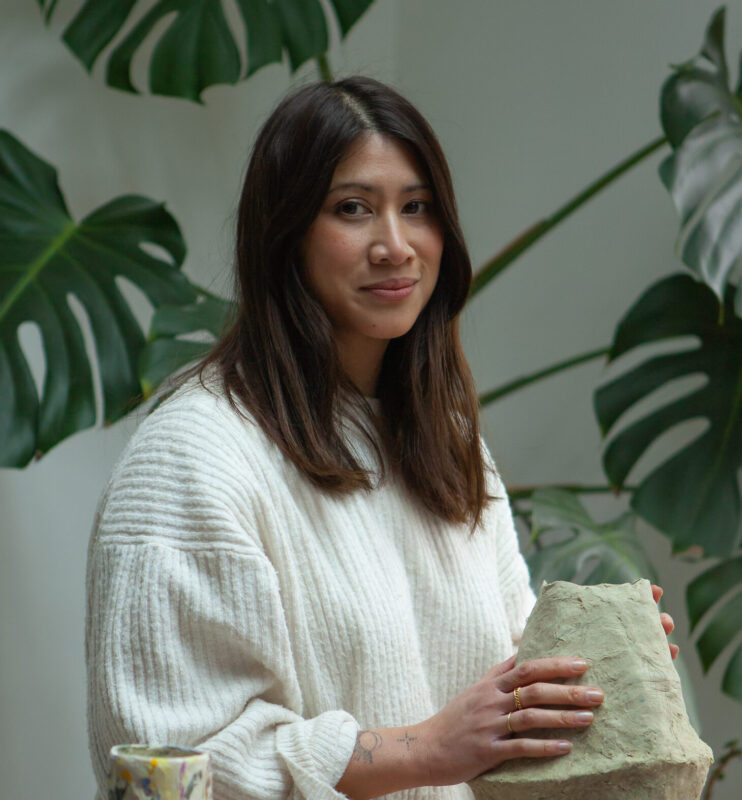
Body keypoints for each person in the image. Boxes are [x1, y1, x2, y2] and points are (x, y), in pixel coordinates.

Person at [86, 76, 677, 800]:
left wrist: (581, 671)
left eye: (417, 208)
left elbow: (498, 679)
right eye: (353, 209)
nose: (395, 246)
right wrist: (425, 748)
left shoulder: (446, 437)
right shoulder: (190, 457)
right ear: (285, 232)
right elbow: (170, 767)